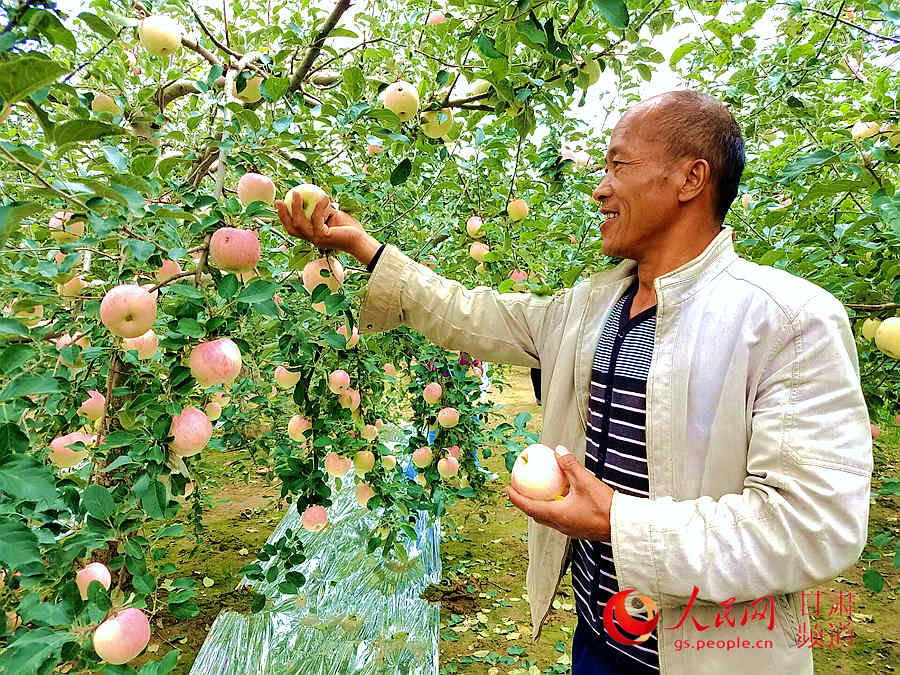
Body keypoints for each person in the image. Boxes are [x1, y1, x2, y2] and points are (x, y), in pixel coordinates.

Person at [276, 90, 873, 674]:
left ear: (691, 180)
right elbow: (469, 311)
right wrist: (359, 245)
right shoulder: (590, 306)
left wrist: (615, 519)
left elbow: (812, 525)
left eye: (619, 165)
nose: (600, 187)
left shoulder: (786, 320)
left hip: (703, 654)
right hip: (601, 631)